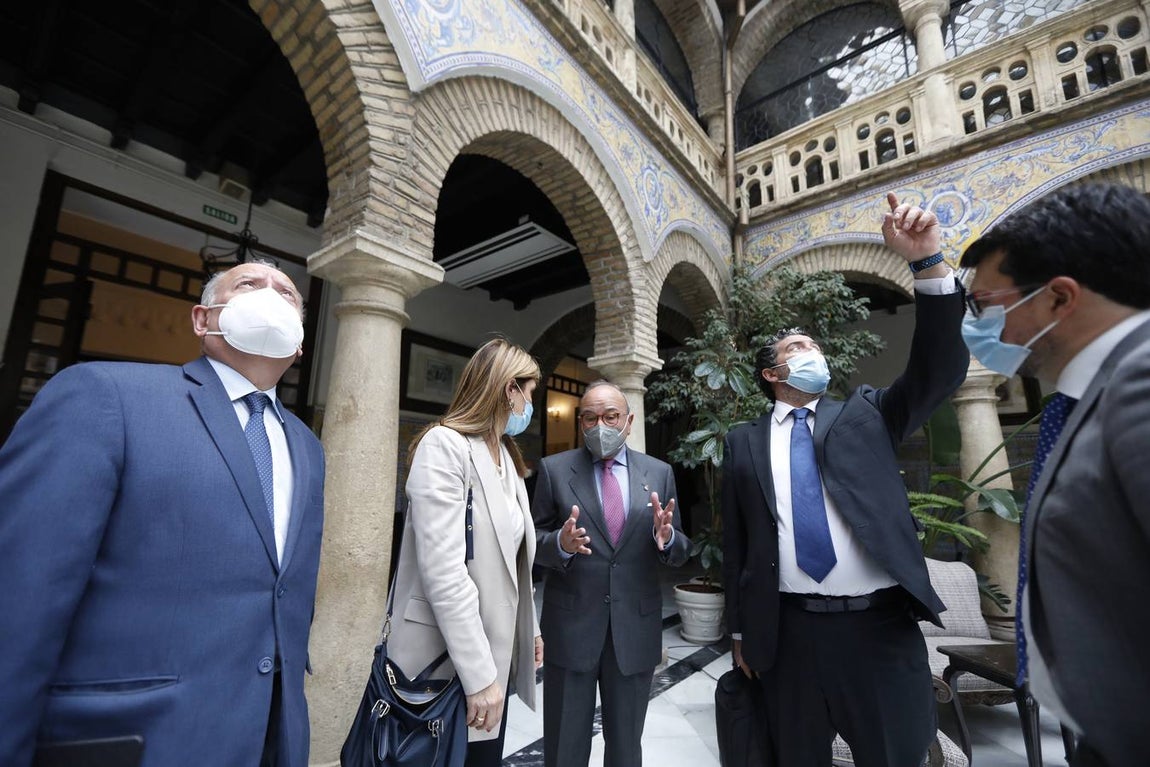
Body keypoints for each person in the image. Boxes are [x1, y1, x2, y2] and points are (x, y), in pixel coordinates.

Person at [0, 261, 325, 767]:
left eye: (286, 294)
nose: (269, 296)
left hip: (266, 736)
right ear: (202, 319)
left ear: (300, 340)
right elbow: (19, 596)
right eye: (249, 285)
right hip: (140, 739)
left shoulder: (307, 446)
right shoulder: (106, 396)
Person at [721, 192, 968, 766]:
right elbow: (740, 547)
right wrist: (740, 635)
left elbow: (938, 369)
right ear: (772, 372)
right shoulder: (742, 443)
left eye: (813, 345)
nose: (814, 353)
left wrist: (927, 263)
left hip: (879, 631)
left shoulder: (866, 412)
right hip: (788, 637)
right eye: (799, 348)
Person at [959, 183, 1150, 767]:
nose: (979, 327)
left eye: (984, 307)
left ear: (1059, 298)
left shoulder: (1141, 384)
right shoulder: (1091, 394)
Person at [386, 337, 544, 767]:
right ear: (510, 389)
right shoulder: (444, 446)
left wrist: (528, 630)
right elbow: (444, 571)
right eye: (529, 393)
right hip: (443, 660)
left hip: (491, 649)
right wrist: (478, 677)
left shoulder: (506, 458)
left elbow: (512, 561)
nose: (531, 405)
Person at [532, 380, 690, 767]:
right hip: (571, 628)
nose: (600, 424)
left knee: (625, 747)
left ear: (629, 420)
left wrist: (665, 538)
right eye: (590, 417)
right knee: (564, 746)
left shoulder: (659, 472)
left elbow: (682, 548)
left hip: (633, 630)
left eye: (610, 415)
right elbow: (531, 542)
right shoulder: (554, 470)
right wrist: (559, 545)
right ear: (580, 422)